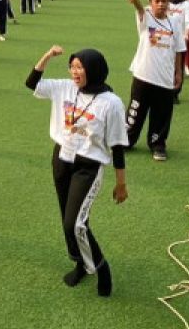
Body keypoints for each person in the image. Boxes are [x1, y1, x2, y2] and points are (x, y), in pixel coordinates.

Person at [26, 46, 127, 296]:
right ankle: (80, 263)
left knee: (75, 223)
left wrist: (121, 183)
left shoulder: (111, 103)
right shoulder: (65, 88)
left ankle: (102, 268)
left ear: (94, 70)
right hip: (61, 159)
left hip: (88, 166)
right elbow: (32, 83)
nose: (74, 72)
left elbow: (117, 146)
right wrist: (48, 55)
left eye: (80, 67)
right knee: (67, 219)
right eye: (72, 66)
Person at [124, 0, 185, 161]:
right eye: (157, 1)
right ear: (151, 3)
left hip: (165, 79)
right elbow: (139, 9)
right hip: (143, 75)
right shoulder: (146, 19)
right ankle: (127, 140)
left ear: (168, 3)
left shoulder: (175, 23)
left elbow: (179, 49)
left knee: (161, 115)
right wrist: (134, 1)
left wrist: (178, 72)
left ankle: (158, 144)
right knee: (135, 111)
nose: (161, 4)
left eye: (164, 1)